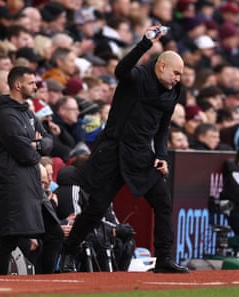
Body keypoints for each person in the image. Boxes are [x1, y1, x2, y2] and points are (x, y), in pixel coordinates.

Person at [61, 25, 188, 273]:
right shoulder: (137, 77)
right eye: (176, 73)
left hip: (142, 156)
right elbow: (120, 70)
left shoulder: (173, 93)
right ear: (161, 66)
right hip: (114, 153)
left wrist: (161, 155)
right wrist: (145, 43)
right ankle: (68, 251)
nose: (178, 79)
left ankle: (163, 259)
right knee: (96, 208)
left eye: (181, 75)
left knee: (163, 203)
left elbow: (163, 129)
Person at [0, 66, 63, 274]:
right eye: (31, 83)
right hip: (14, 185)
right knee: (9, 238)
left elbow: (49, 141)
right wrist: (34, 147)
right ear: (18, 84)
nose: (36, 86)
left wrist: (36, 145)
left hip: (31, 184)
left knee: (54, 233)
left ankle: (45, 280)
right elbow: (25, 153)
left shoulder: (28, 113)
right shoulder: (5, 117)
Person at [55, 154, 136, 272]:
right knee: (98, 240)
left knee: (127, 241)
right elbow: (76, 220)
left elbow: (112, 220)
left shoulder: (102, 192)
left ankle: (118, 280)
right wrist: (111, 231)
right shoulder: (74, 190)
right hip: (83, 235)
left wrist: (118, 229)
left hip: (98, 231)